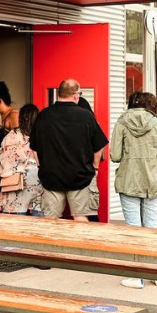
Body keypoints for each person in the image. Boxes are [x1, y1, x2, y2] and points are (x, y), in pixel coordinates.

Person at [111, 92, 157, 289]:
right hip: (153, 180)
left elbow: (115, 155)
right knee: (151, 225)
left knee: (133, 228)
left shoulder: (122, 122)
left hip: (129, 179)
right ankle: (156, 274)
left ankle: (137, 276)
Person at [30, 79, 109, 221]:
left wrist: (41, 165)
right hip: (81, 177)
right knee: (80, 218)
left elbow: (34, 148)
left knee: (51, 220)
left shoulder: (44, 115)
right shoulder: (86, 116)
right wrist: (95, 167)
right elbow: (99, 146)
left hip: (51, 177)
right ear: (75, 95)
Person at [0, 104, 43, 216]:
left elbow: (2, 156)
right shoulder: (41, 135)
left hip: (14, 182)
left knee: (15, 222)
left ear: (21, 118)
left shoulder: (10, 136)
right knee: (37, 221)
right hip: (36, 181)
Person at [77, 95, 107, 222]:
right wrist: (95, 167)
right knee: (87, 211)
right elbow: (100, 147)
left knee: (86, 211)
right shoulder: (93, 123)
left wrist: (95, 167)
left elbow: (100, 148)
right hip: (88, 170)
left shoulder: (87, 124)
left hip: (80, 170)